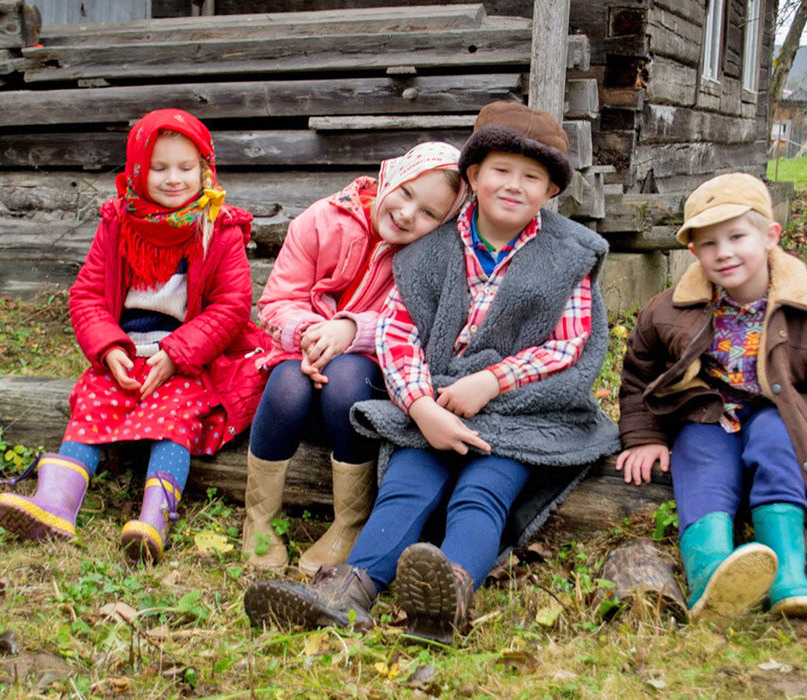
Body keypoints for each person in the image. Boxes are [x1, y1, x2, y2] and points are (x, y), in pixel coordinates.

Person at [243, 101, 620, 645]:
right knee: (406, 486)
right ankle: (348, 590)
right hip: (435, 402)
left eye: (532, 177)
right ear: (473, 175)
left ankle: (451, 593)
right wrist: (420, 407)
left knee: (481, 493)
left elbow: (569, 345)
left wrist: (491, 381)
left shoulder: (568, 254)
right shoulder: (430, 248)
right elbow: (399, 333)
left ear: (551, 191)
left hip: (519, 412)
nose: (514, 186)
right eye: (501, 170)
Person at [0, 109, 270, 565]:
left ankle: (153, 518)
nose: (174, 179)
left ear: (205, 169)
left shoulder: (218, 228)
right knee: (93, 401)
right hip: (126, 351)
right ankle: (56, 504)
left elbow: (232, 305)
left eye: (186, 168)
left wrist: (178, 354)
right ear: (137, 169)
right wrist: (108, 350)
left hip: (187, 357)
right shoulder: (118, 222)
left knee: (177, 415)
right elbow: (87, 295)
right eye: (159, 168)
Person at [615, 172, 807, 621]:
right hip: (707, 413)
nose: (724, 252)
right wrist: (644, 436)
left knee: (776, 440)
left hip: (779, 415)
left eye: (737, 236)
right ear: (692, 251)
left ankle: (788, 574)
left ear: (770, 236)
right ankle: (711, 573)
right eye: (709, 244)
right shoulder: (670, 308)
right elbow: (639, 375)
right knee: (699, 458)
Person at [242, 142, 468, 575]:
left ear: (443, 225)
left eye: (428, 214)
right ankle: (258, 521)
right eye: (405, 194)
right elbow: (276, 301)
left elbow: (410, 324)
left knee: (347, 380)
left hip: (364, 373)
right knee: (287, 386)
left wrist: (350, 330)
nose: (407, 214)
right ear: (390, 176)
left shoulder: (425, 259)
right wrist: (309, 336)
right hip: (296, 356)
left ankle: (349, 524)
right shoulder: (323, 220)